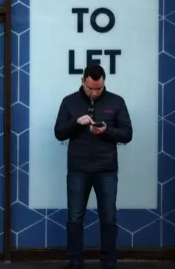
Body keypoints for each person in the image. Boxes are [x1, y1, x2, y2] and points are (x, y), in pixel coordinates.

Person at [54, 65, 133, 269]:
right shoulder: (69, 101)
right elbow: (59, 133)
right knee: (75, 216)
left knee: (108, 217)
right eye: (90, 88)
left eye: (98, 88)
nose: (94, 92)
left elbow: (127, 134)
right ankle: (74, 260)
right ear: (83, 81)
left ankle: (108, 261)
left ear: (104, 82)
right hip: (78, 168)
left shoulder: (117, 101)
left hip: (106, 169)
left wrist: (107, 130)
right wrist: (75, 122)